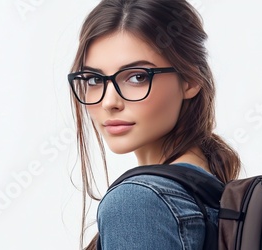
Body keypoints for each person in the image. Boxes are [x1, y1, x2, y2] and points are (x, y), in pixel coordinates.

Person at [67, 0, 241, 249]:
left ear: (190, 81)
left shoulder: (137, 201)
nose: (109, 102)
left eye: (137, 77)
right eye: (94, 79)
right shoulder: (213, 194)